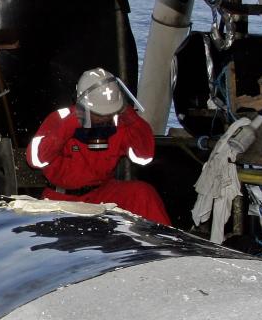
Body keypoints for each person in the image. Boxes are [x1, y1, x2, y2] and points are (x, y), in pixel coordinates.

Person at [26, 67, 170, 225]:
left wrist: (130, 117)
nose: (104, 118)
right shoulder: (61, 119)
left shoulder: (118, 122)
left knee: (142, 193)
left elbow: (144, 156)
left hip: (102, 193)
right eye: (98, 114)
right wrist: (70, 124)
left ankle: (167, 246)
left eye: (109, 113)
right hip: (61, 198)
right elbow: (35, 159)